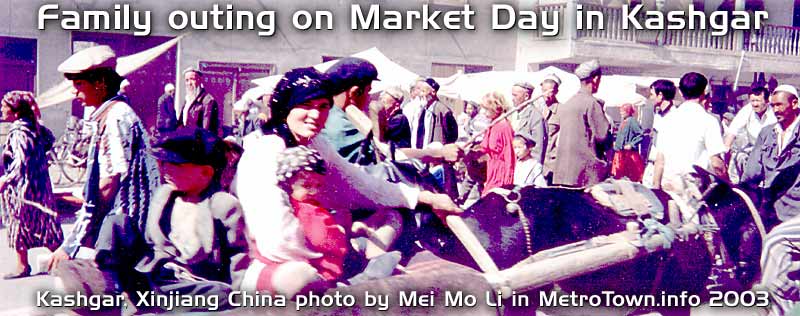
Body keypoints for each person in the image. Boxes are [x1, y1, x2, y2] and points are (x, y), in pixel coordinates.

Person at [234, 67, 461, 296]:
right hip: (273, 262)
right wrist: (327, 260)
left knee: (391, 217)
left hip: (315, 247)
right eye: (306, 106)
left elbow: (357, 183)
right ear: (286, 108)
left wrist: (423, 197)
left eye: (323, 107)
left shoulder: (316, 144)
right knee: (299, 278)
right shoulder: (264, 150)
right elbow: (276, 238)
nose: (316, 115)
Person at [48, 45, 160, 270]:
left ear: (100, 83)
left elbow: (110, 183)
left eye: (79, 84)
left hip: (125, 225)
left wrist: (72, 242)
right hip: (128, 223)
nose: (74, 92)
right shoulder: (114, 113)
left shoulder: (115, 118)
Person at [251, 145, 349, 292]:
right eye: (307, 185)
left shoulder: (291, 206)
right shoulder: (307, 211)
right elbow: (322, 238)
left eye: (318, 185)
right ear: (288, 185)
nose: (314, 191)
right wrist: (339, 232)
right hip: (324, 272)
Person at [0, 91, 63, 279]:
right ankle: (63, 261)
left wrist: (6, 179)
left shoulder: (18, 131)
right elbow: (49, 141)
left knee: (19, 223)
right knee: (43, 224)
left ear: (15, 111)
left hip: (23, 187)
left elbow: (20, 162)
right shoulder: (33, 127)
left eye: (4, 106)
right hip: (39, 185)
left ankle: (23, 266)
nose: (1, 110)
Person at [652, 72, 728, 191]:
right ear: (704, 93)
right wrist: (728, 184)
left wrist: (656, 189)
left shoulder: (667, 120)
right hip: (695, 191)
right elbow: (716, 163)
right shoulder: (708, 121)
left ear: (681, 93)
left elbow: (660, 160)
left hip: (669, 187)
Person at [741, 85, 800, 227]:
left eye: (779, 105)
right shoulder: (767, 133)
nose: (775, 110)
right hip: (770, 211)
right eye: (773, 106)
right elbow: (752, 173)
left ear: (794, 104)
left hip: (796, 213)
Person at [551, 59, 611, 187]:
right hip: (585, 175)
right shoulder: (592, 103)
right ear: (595, 79)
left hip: (563, 173)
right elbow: (603, 136)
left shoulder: (568, 103)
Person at [725, 86, 777, 183]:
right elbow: (733, 130)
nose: (754, 104)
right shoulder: (747, 110)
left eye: (757, 101)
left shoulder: (774, 112)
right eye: (752, 101)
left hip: (772, 151)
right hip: (752, 149)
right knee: (738, 158)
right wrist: (726, 148)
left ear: (767, 101)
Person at [478, 91, 515, 196]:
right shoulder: (492, 124)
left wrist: (508, 181)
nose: (483, 112)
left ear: (496, 108)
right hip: (491, 169)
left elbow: (509, 155)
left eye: (486, 109)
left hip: (500, 172)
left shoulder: (504, 126)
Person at [642, 79, 678, 187]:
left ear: (660, 95)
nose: (650, 97)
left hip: (664, 169)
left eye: (652, 94)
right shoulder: (658, 114)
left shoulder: (674, 116)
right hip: (651, 165)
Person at [179, 68, 222, 136]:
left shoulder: (208, 101)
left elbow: (206, 130)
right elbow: (180, 124)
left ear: (200, 80)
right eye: (187, 80)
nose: (189, 83)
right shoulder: (187, 100)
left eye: (192, 79)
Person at [513, 81, 547, 164]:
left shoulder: (535, 117)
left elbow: (537, 148)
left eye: (515, 95)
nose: (512, 98)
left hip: (526, 165)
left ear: (526, 96)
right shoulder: (513, 114)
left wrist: (532, 169)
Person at [611, 104, 645, 182]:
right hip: (620, 153)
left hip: (629, 154)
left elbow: (641, 135)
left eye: (623, 111)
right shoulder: (624, 121)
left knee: (630, 175)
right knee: (619, 175)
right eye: (621, 111)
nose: (621, 113)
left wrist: (632, 144)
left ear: (628, 111)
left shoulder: (632, 121)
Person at [540, 73, 562, 184]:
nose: (546, 95)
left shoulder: (562, 111)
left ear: (556, 91)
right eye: (544, 91)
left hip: (551, 164)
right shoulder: (537, 110)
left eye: (550, 92)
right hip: (536, 162)